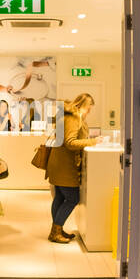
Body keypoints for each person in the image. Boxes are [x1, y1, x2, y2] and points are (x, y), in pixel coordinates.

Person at [45, 93, 98, 243]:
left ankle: (57, 229)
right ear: (83, 106)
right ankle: (55, 231)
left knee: (60, 197)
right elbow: (70, 142)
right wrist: (93, 141)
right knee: (73, 198)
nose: (89, 112)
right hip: (65, 166)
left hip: (58, 163)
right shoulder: (74, 117)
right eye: (89, 108)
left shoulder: (67, 115)